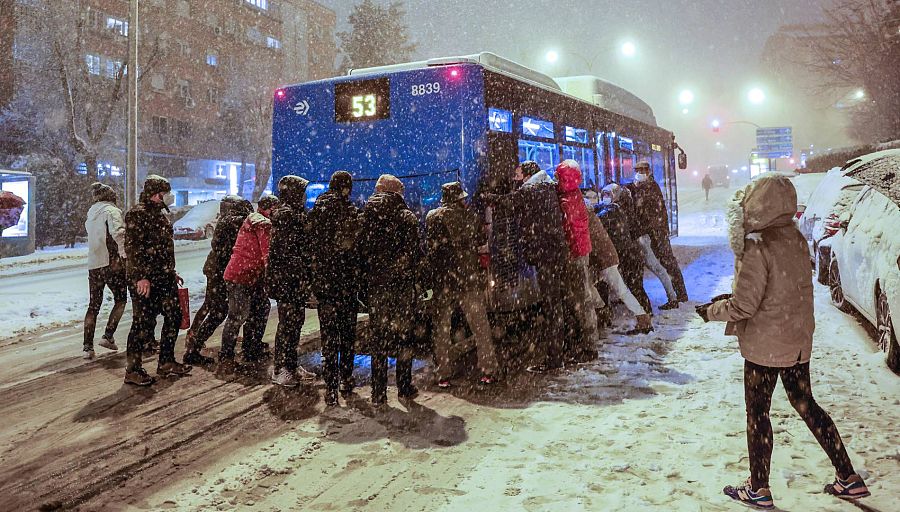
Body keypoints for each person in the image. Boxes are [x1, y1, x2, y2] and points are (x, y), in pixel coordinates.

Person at [696, 175, 869, 509]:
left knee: (757, 414)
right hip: (796, 340)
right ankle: (848, 477)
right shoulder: (794, 237)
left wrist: (712, 311)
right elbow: (779, 290)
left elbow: (745, 305)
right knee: (807, 405)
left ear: (757, 203)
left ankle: (758, 488)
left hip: (765, 346)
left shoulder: (757, 244)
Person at [486, 161, 572, 373]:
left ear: (527, 174)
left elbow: (511, 201)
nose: (517, 178)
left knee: (551, 306)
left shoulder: (534, 189)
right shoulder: (546, 187)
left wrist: (487, 197)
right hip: (552, 252)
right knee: (556, 304)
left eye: (518, 174)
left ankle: (554, 359)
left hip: (546, 254)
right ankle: (562, 349)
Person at [426, 181, 499, 389]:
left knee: (442, 329)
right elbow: (480, 240)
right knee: (480, 326)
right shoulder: (471, 216)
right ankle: (488, 369)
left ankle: (443, 373)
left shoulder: (433, 217)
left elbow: (431, 248)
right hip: (468, 278)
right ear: (460, 198)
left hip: (444, 281)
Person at [356, 174, 421, 405]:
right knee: (404, 338)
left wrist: (366, 282)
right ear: (396, 193)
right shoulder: (406, 217)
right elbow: (415, 255)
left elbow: (359, 253)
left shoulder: (366, 217)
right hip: (401, 288)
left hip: (377, 288)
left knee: (379, 339)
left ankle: (378, 393)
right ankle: (404, 387)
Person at [123, 175, 192, 386]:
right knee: (143, 323)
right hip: (146, 280)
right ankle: (133, 370)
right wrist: (141, 277)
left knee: (174, 315)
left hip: (164, 277)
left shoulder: (160, 214)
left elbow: (162, 249)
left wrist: (171, 271)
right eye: (164, 193)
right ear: (155, 194)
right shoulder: (138, 214)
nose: (167, 198)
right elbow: (133, 249)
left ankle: (167, 361)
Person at [308, 171, 361, 404]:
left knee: (328, 336)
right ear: (346, 188)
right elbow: (356, 248)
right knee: (347, 335)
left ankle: (330, 386)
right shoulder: (349, 212)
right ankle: (346, 379)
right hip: (345, 284)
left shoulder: (316, 211)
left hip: (325, 285)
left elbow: (309, 247)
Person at [184, 195, 253, 366]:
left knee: (215, 308)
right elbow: (228, 248)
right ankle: (194, 346)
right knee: (218, 310)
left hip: (217, 270)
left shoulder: (225, 220)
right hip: (221, 272)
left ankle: (194, 342)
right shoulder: (233, 222)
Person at [218, 195, 279, 375]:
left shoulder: (258, 220)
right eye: (275, 208)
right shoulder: (261, 223)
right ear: (269, 209)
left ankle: (251, 348)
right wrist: (271, 272)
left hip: (250, 276)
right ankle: (226, 358)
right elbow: (266, 253)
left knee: (261, 308)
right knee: (237, 315)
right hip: (240, 276)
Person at [267, 176, 317, 388]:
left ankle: (291, 364)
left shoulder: (295, 215)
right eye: (303, 191)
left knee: (295, 323)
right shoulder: (288, 217)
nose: (306, 196)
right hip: (288, 281)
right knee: (288, 325)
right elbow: (290, 253)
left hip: (293, 281)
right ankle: (281, 369)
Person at [583, 189, 652, 335]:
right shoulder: (593, 214)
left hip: (605, 260)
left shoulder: (588, 216)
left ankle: (642, 318)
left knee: (620, 290)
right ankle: (604, 311)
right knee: (590, 286)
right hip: (605, 258)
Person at [554, 160, 600, 362]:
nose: (555, 180)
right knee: (581, 298)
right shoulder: (574, 195)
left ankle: (588, 347)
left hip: (576, 254)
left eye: (558, 177)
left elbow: (569, 227)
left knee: (581, 299)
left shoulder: (567, 200)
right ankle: (585, 343)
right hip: (580, 251)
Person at [627, 161, 688, 309]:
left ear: (648, 171)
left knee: (667, 261)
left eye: (642, 170)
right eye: (637, 170)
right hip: (650, 231)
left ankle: (680, 294)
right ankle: (676, 294)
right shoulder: (637, 186)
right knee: (659, 263)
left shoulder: (651, 186)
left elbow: (646, 207)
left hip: (657, 232)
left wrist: (656, 230)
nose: (639, 172)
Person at [82, 182, 127, 360]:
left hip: (94, 264)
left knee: (93, 305)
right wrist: (124, 255)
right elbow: (119, 234)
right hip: (111, 263)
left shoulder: (91, 214)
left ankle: (87, 346)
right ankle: (108, 335)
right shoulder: (111, 211)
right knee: (121, 299)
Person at [596, 184, 653, 315]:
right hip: (628, 253)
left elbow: (601, 216)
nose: (605, 198)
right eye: (604, 195)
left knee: (634, 285)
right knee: (632, 285)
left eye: (608, 195)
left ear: (615, 195)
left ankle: (645, 314)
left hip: (628, 255)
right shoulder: (617, 207)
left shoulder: (612, 211)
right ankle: (645, 312)